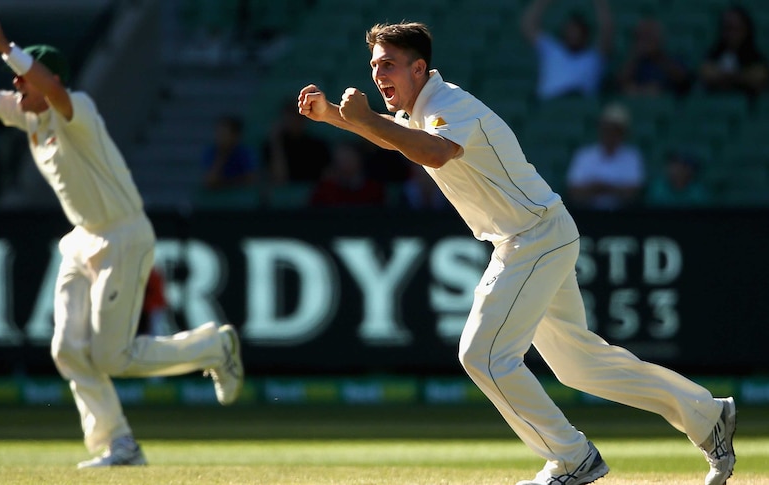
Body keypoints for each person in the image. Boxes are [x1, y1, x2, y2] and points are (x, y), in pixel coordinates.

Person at [297, 21, 735, 485]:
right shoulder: (422, 110)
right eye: (373, 66)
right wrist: (333, 116)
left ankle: (571, 458)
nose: (377, 74)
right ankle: (707, 416)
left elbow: (433, 153)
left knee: (482, 354)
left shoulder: (449, 104)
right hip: (537, 235)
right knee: (579, 365)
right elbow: (400, 137)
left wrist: (360, 119)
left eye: (388, 64)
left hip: (534, 237)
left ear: (419, 68)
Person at [0, 14, 244, 468]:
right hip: (83, 239)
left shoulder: (76, 108)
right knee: (67, 350)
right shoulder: (28, 115)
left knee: (111, 356)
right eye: (14, 80)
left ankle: (212, 347)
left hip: (123, 235)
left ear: (51, 78)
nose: (17, 86)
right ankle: (119, 445)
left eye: (24, 78)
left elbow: (51, 91)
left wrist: (4, 47)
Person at [521, 0, 613, 100]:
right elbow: (528, 25)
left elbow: (607, 30)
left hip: (581, 107)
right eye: (570, 31)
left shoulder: (594, 57)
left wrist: (600, 3)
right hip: (549, 105)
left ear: (585, 34)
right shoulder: (551, 49)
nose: (573, 35)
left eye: (577, 32)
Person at [566, 103, 645, 210]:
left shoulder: (632, 156)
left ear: (623, 132)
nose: (610, 134)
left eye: (615, 129)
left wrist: (602, 188)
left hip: (624, 217)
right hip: (587, 215)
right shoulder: (584, 155)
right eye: (606, 129)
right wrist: (612, 189)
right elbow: (574, 191)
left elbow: (634, 193)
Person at [700, 5, 769, 97]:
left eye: (736, 29)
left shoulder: (755, 56)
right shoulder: (714, 54)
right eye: (728, 28)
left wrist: (727, 77)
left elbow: (758, 76)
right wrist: (740, 77)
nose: (731, 34)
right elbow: (706, 73)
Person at [617, 18, 691, 96]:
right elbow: (620, 83)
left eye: (650, 37)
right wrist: (635, 56)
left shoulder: (672, 59)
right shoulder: (631, 61)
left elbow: (683, 81)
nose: (646, 42)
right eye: (642, 37)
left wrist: (658, 57)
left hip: (665, 104)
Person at [264, 100, 330, 185]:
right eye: (289, 116)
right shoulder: (273, 145)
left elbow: (325, 176)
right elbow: (279, 178)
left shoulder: (317, 146)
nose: (293, 120)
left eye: (297, 116)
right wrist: (276, 142)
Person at [309, 141, 385, 207]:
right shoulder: (326, 188)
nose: (344, 164)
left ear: (359, 159)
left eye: (348, 159)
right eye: (340, 160)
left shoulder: (373, 187)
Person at [201, 115, 258, 189]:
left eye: (224, 134)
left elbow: (252, 179)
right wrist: (222, 155)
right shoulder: (211, 152)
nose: (220, 137)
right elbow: (209, 181)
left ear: (236, 135)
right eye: (218, 133)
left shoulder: (246, 153)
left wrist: (224, 182)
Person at [645, 150, 710, 208]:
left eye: (680, 165)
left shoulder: (698, 192)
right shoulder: (658, 188)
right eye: (672, 164)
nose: (674, 169)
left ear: (690, 169)